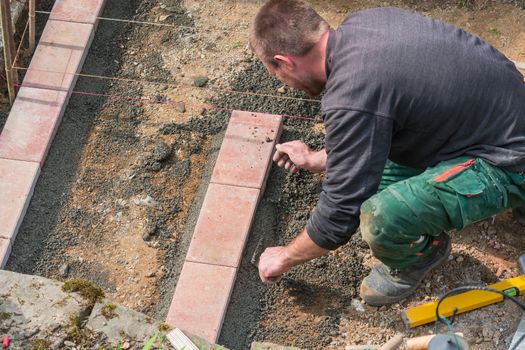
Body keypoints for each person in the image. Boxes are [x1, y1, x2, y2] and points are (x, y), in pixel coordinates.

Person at [249, 0, 525, 306]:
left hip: (509, 159)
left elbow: (338, 216)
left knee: (382, 217)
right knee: (375, 174)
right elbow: (372, 125)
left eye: (279, 75)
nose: (286, 84)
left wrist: (285, 257)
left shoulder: (352, 93)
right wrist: (316, 159)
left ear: (284, 61)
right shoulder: (367, 23)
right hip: (500, 113)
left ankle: (420, 257)